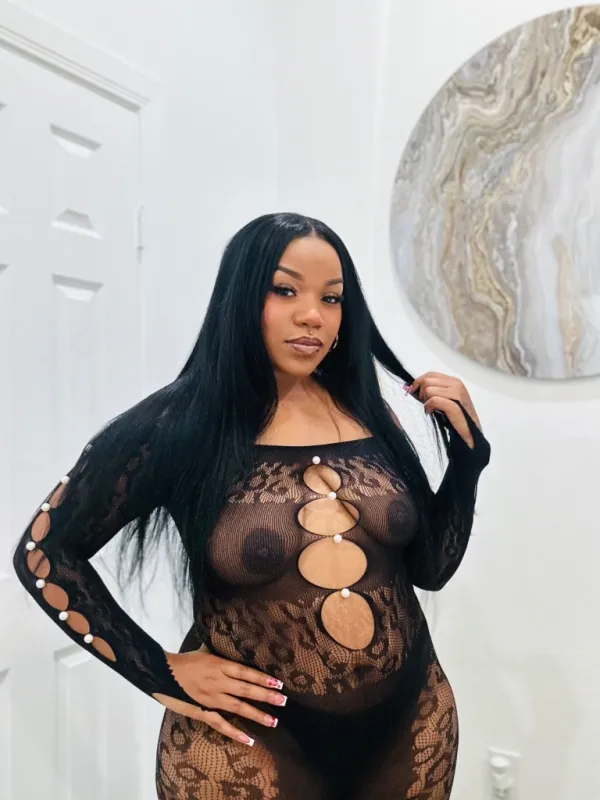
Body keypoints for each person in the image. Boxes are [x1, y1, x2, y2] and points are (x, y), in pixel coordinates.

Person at [13, 212, 490, 800]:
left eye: (331, 298)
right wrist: (159, 670)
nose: (312, 315)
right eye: (285, 290)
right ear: (240, 297)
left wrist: (467, 463)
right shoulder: (175, 425)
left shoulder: (369, 412)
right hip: (246, 744)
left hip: (413, 723)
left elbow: (430, 570)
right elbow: (45, 554)